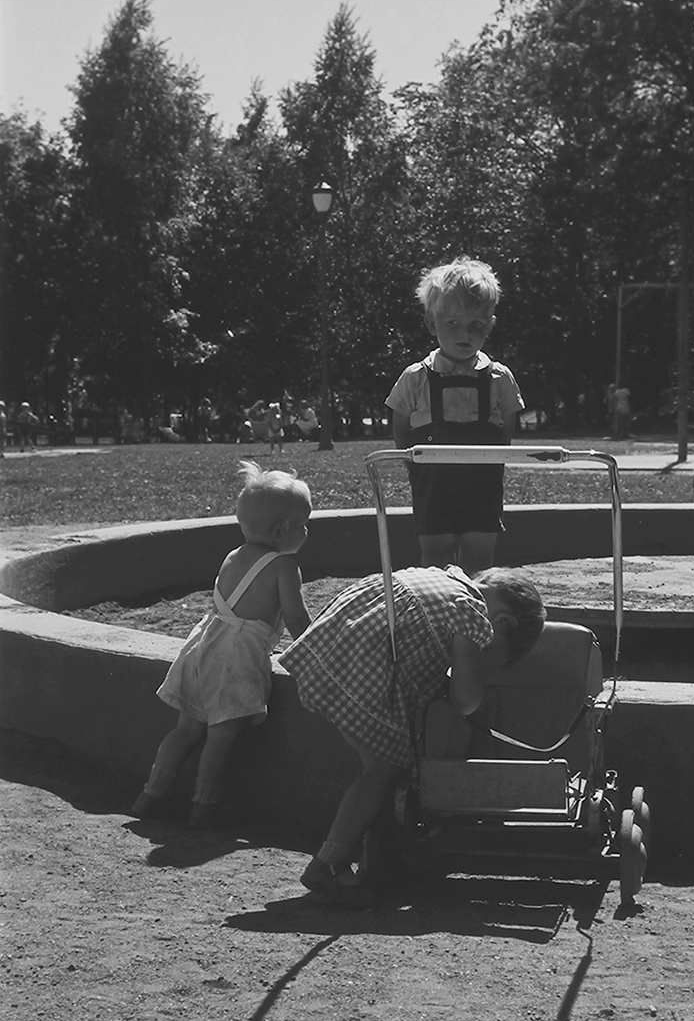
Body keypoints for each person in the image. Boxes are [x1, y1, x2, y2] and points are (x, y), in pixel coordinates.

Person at [277, 563, 546, 906]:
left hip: (336, 644)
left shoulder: (442, 578)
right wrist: (475, 687)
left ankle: (341, 859)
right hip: (362, 667)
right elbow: (464, 700)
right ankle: (328, 863)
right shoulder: (473, 613)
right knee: (383, 769)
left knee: (380, 764)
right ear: (503, 622)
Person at [131, 461, 313, 826]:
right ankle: (204, 805)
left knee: (186, 728)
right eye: (304, 525)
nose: (307, 532)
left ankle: (151, 794)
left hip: (204, 645)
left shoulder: (233, 555)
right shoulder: (283, 567)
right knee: (221, 734)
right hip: (236, 657)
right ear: (282, 530)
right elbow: (295, 617)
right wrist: (314, 649)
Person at [385, 258, 524, 574]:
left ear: (490, 324)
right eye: (453, 324)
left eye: (476, 324)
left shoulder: (499, 377)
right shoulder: (415, 377)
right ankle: (437, 613)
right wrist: (415, 463)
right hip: (434, 484)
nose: (466, 333)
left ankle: (475, 611)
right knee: (436, 553)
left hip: (482, 482)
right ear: (432, 324)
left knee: (479, 553)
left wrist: (494, 460)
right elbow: (401, 424)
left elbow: (506, 429)